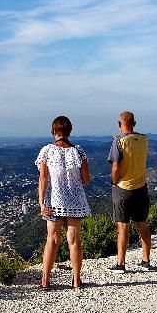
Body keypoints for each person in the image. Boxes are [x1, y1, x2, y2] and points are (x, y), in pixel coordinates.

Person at [35, 116, 91, 289]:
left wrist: (41, 202)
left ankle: (45, 279)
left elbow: (43, 178)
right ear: (69, 131)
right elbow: (86, 179)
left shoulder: (47, 151)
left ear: (54, 132)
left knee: (52, 239)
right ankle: (76, 279)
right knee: (74, 239)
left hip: (54, 199)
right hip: (75, 200)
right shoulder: (79, 151)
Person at [105, 111, 154, 274]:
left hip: (123, 187)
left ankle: (121, 263)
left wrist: (113, 182)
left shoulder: (119, 141)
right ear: (135, 123)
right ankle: (146, 260)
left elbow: (116, 166)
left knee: (123, 227)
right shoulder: (144, 139)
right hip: (141, 186)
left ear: (119, 124)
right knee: (142, 223)